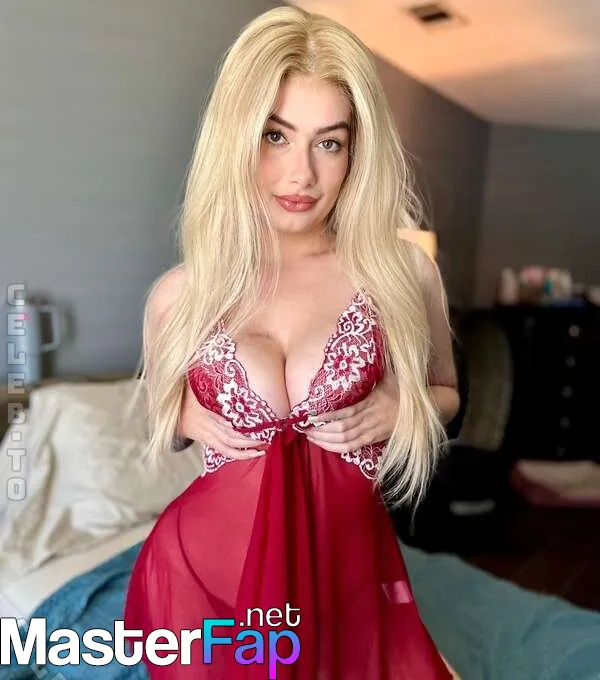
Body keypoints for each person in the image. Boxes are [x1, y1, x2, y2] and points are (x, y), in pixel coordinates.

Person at [124, 6, 461, 678]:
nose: (301, 174)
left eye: (328, 143)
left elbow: (447, 393)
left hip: (348, 577)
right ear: (237, 137)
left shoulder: (403, 273)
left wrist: (405, 407)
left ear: (356, 153)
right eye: (275, 136)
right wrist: (182, 413)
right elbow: (164, 422)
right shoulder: (179, 295)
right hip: (203, 590)